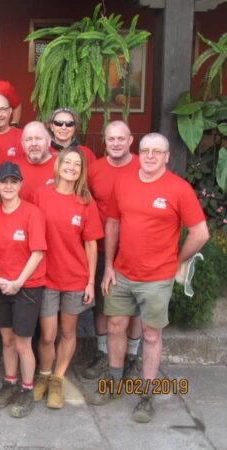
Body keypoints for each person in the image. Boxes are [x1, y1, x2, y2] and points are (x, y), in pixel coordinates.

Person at [90, 133, 208, 423]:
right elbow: (114, 222)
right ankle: (115, 380)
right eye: (145, 150)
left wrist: (178, 260)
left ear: (167, 156)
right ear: (138, 152)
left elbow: (200, 232)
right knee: (116, 325)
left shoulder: (178, 189)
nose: (151, 156)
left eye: (158, 151)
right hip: (121, 272)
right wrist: (108, 267)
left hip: (156, 277)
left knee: (152, 334)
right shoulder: (124, 182)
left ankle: (146, 395)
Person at [32, 147, 103, 409]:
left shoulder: (86, 201)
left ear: (81, 170)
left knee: (68, 331)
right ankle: (44, 375)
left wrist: (90, 282)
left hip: (75, 277)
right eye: (68, 162)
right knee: (48, 335)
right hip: (46, 276)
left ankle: (58, 380)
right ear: (59, 164)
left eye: (77, 164)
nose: (71, 167)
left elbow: (91, 244)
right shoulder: (41, 194)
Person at [81, 121, 141, 381]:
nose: (115, 143)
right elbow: (83, 203)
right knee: (103, 305)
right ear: (104, 142)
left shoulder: (144, 166)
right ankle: (104, 354)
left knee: (136, 307)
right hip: (102, 247)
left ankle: (132, 357)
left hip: (136, 251)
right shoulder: (94, 170)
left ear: (130, 140)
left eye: (121, 138)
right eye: (111, 139)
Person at [0, 162, 47, 419]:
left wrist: (18, 281)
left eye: (13, 181)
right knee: (7, 340)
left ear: (20, 184)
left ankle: (27, 388)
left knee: (23, 342)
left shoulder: (32, 213)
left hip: (27, 286)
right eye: (3, 181)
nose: (8, 186)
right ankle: (10, 382)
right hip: (1, 285)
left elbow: (37, 252)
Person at [16, 121, 57, 203]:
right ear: (22, 144)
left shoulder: (63, 166)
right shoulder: (13, 168)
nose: (33, 144)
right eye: (28, 139)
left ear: (49, 141)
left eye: (38, 138)